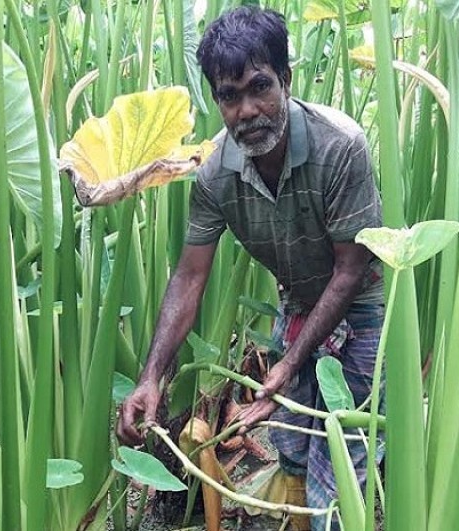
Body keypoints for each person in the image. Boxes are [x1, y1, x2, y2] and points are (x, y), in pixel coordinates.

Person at [116, 6, 385, 529]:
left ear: (286, 79)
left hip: (362, 301)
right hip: (298, 299)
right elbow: (190, 276)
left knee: (341, 451)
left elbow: (351, 270)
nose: (246, 111)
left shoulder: (340, 146)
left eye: (259, 87)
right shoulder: (214, 171)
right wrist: (152, 378)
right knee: (290, 438)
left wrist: (287, 364)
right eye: (229, 96)